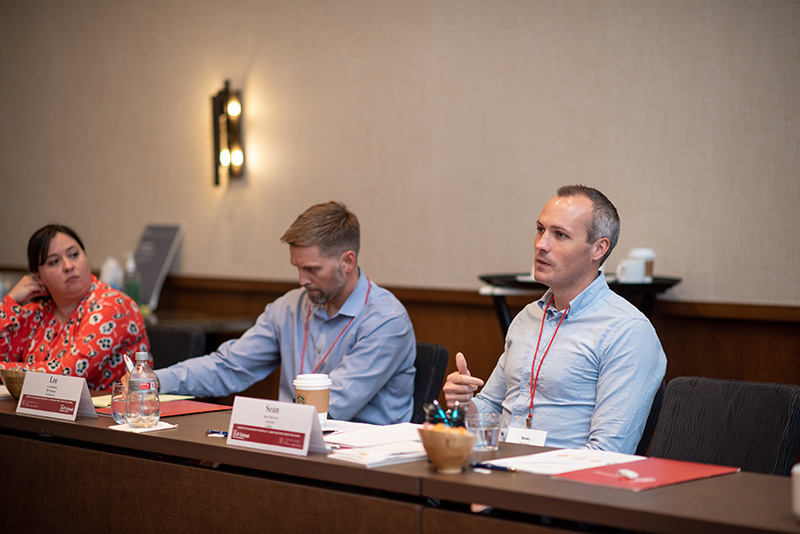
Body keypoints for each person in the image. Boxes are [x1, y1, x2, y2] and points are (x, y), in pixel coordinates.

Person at [444, 185, 666, 453]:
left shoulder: (627, 332)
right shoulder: (528, 317)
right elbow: (490, 408)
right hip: (499, 470)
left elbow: (607, 453)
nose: (541, 244)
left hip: (560, 485)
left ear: (599, 249)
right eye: (540, 230)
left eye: (559, 235)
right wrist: (464, 404)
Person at [155, 201, 416, 424]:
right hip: (294, 447)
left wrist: (255, 430)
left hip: (363, 464)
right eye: (297, 268)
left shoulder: (386, 320)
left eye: (312, 269)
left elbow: (331, 406)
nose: (302, 280)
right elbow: (229, 366)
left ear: (347, 262)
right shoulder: (289, 307)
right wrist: (157, 381)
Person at [0, 224, 150, 390]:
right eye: (54, 261)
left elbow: (71, 373)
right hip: (45, 412)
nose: (68, 266)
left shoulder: (112, 305)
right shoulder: (36, 312)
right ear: (38, 277)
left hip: (113, 413)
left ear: (85, 256)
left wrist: (8, 372)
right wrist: (10, 301)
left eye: (74, 255)